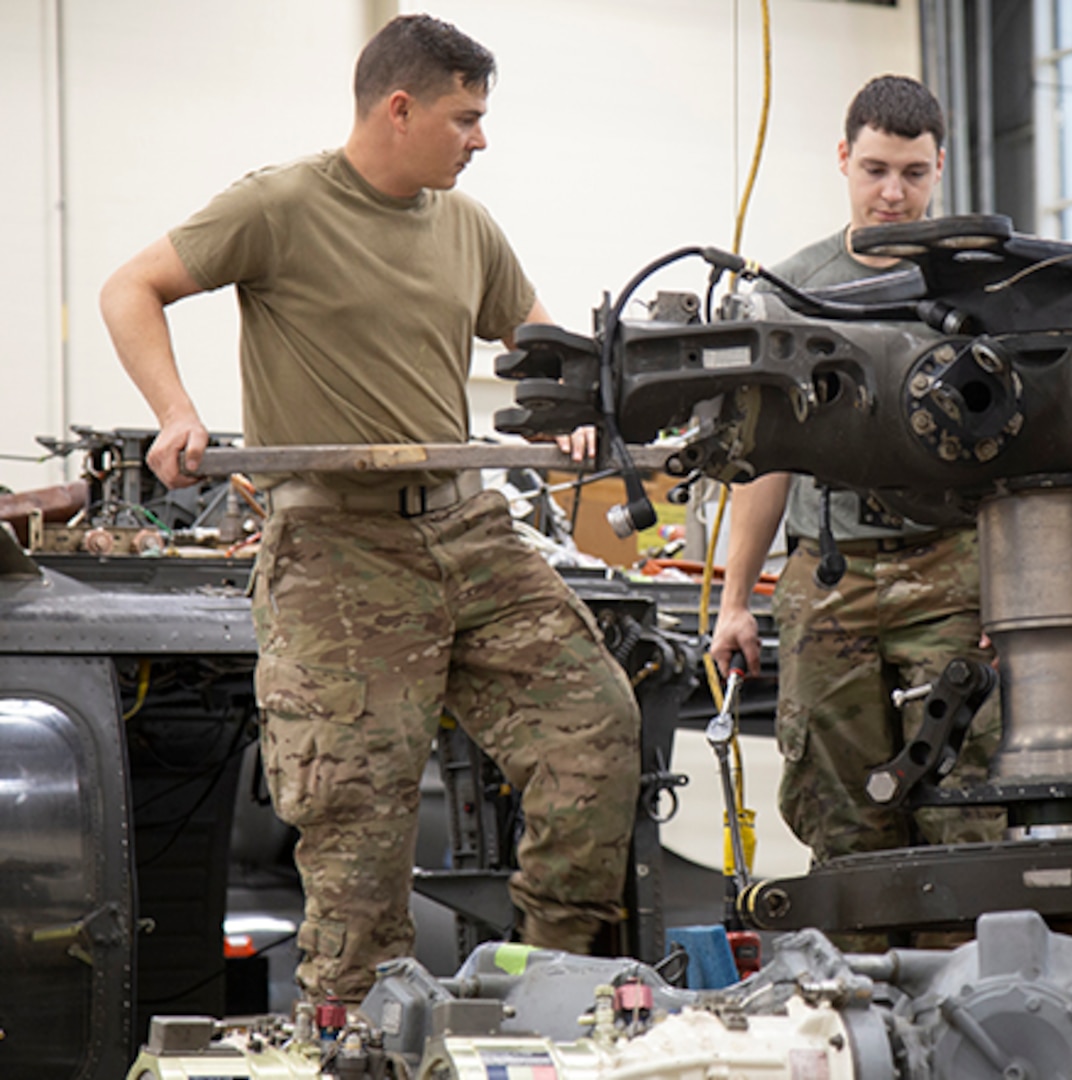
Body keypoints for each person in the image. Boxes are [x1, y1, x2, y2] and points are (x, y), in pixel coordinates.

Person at [99, 15, 640, 1004]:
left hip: (469, 533)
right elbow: (132, 286)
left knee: (596, 727)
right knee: (358, 822)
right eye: (465, 118)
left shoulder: (465, 224)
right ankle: (357, 1032)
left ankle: (551, 976)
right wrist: (176, 412)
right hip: (337, 550)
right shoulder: (279, 205)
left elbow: (537, 340)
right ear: (400, 107)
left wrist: (576, 401)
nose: (480, 139)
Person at [711, 75, 1005, 872]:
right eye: (875, 169)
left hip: (952, 569)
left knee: (963, 814)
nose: (892, 193)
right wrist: (736, 601)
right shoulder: (791, 293)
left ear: (940, 167)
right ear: (843, 158)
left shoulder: (985, 293)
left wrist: (1017, 595)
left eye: (912, 173)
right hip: (830, 576)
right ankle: (857, 979)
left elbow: (1027, 452)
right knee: (840, 822)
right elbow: (761, 460)